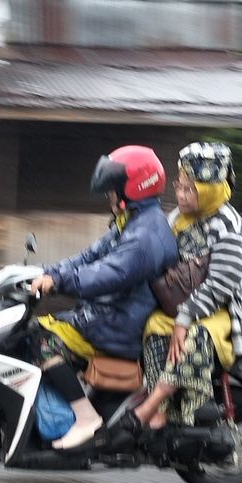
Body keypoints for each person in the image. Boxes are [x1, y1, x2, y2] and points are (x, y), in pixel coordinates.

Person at [29, 145, 178, 451]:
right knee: (34, 329)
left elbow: (108, 274)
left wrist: (59, 281)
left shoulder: (146, 235)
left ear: (134, 188)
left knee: (41, 339)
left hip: (118, 325)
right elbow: (89, 256)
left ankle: (85, 418)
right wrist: (45, 270)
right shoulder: (132, 221)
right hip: (106, 315)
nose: (109, 195)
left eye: (113, 189)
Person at [123, 141, 242, 434]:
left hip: (226, 311)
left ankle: (155, 402)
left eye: (190, 189)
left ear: (210, 190)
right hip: (182, 305)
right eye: (179, 185)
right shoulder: (177, 218)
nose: (180, 193)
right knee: (151, 324)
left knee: (197, 336)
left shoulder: (229, 226)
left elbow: (220, 286)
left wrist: (184, 318)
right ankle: (160, 407)